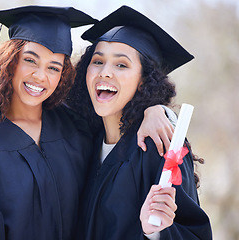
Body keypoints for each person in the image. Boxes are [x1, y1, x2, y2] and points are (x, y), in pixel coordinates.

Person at [0, 5, 176, 240]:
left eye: (54, 67)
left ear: (64, 74)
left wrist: (155, 110)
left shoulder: (78, 128)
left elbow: (119, 127)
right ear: (8, 62)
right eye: (30, 60)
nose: (41, 76)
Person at [67, 5, 212, 240]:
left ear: (143, 81)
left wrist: (154, 232)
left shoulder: (162, 145)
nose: (105, 72)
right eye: (97, 61)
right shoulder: (86, 142)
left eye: (121, 65)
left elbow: (194, 234)